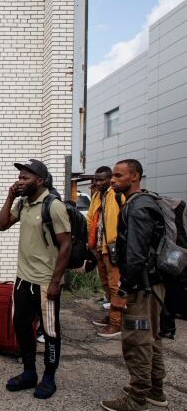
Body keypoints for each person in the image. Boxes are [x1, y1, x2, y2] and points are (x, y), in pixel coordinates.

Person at [0, 159, 71, 400]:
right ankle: (29, 372)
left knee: (50, 331)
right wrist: (9, 197)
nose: (20, 181)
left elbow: (66, 245)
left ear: (40, 180)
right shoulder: (23, 203)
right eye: (19, 177)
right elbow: (2, 225)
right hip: (23, 279)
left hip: (45, 282)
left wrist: (55, 281)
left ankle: (49, 376)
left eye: (25, 178)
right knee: (21, 325)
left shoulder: (54, 205)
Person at [101, 159, 168, 411]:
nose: (113, 180)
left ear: (135, 176)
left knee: (137, 341)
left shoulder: (138, 207)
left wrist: (122, 290)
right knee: (151, 338)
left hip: (142, 288)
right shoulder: (142, 202)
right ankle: (156, 391)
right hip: (151, 285)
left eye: (119, 176)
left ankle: (137, 398)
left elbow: (136, 256)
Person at [86, 166, 126, 339]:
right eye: (96, 179)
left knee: (114, 285)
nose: (98, 182)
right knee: (106, 285)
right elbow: (90, 218)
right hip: (99, 248)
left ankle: (117, 323)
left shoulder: (116, 195)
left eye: (102, 179)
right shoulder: (97, 195)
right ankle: (111, 316)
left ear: (110, 179)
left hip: (113, 248)